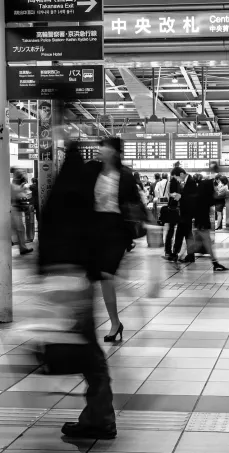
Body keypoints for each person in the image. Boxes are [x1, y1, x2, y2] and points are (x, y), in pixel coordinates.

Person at [38, 140, 116, 439]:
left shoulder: (60, 197)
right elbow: (96, 239)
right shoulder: (85, 199)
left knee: (88, 352)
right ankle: (100, 415)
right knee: (89, 350)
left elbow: (48, 240)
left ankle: (100, 418)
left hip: (62, 281)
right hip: (80, 281)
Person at [86, 137, 142, 342]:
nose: (99, 150)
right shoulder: (92, 171)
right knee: (99, 279)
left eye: (104, 147)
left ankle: (113, 323)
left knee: (105, 275)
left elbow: (135, 204)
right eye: (99, 146)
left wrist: (143, 226)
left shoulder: (125, 176)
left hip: (117, 229)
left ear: (115, 152)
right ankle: (115, 322)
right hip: (95, 228)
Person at [193, 165, 229, 271]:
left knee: (198, 240)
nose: (216, 189)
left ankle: (179, 256)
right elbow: (213, 197)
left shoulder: (202, 190)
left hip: (200, 220)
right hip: (202, 221)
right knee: (206, 241)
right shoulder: (207, 190)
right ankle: (215, 263)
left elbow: (212, 196)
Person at [166, 167, 197, 263]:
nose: (177, 179)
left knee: (184, 234)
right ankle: (181, 254)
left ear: (181, 174)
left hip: (187, 213)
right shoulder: (187, 181)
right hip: (184, 213)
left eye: (176, 177)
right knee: (184, 234)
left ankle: (178, 254)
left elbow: (193, 197)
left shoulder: (191, 182)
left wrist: (181, 196)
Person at [11, 170, 33, 255]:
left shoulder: (13, 185)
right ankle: (22, 248)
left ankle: (21, 247)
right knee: (20, 229)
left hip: (14, 209)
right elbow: (21, 196)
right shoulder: (15, 186)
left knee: (18, 229)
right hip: (15, 209)